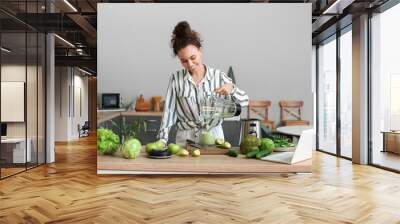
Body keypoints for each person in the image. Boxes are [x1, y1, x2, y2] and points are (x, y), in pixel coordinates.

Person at [158, 21, 249, 147]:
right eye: (184, 61)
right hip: (185, 139)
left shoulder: (218, 76)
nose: (189, 64)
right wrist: (162, 140)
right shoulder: (176, 79)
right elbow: (169, 112)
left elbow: (245, 101)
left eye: (193, 57)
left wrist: (231, 88)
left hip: (214, 138)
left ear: (200, 51)